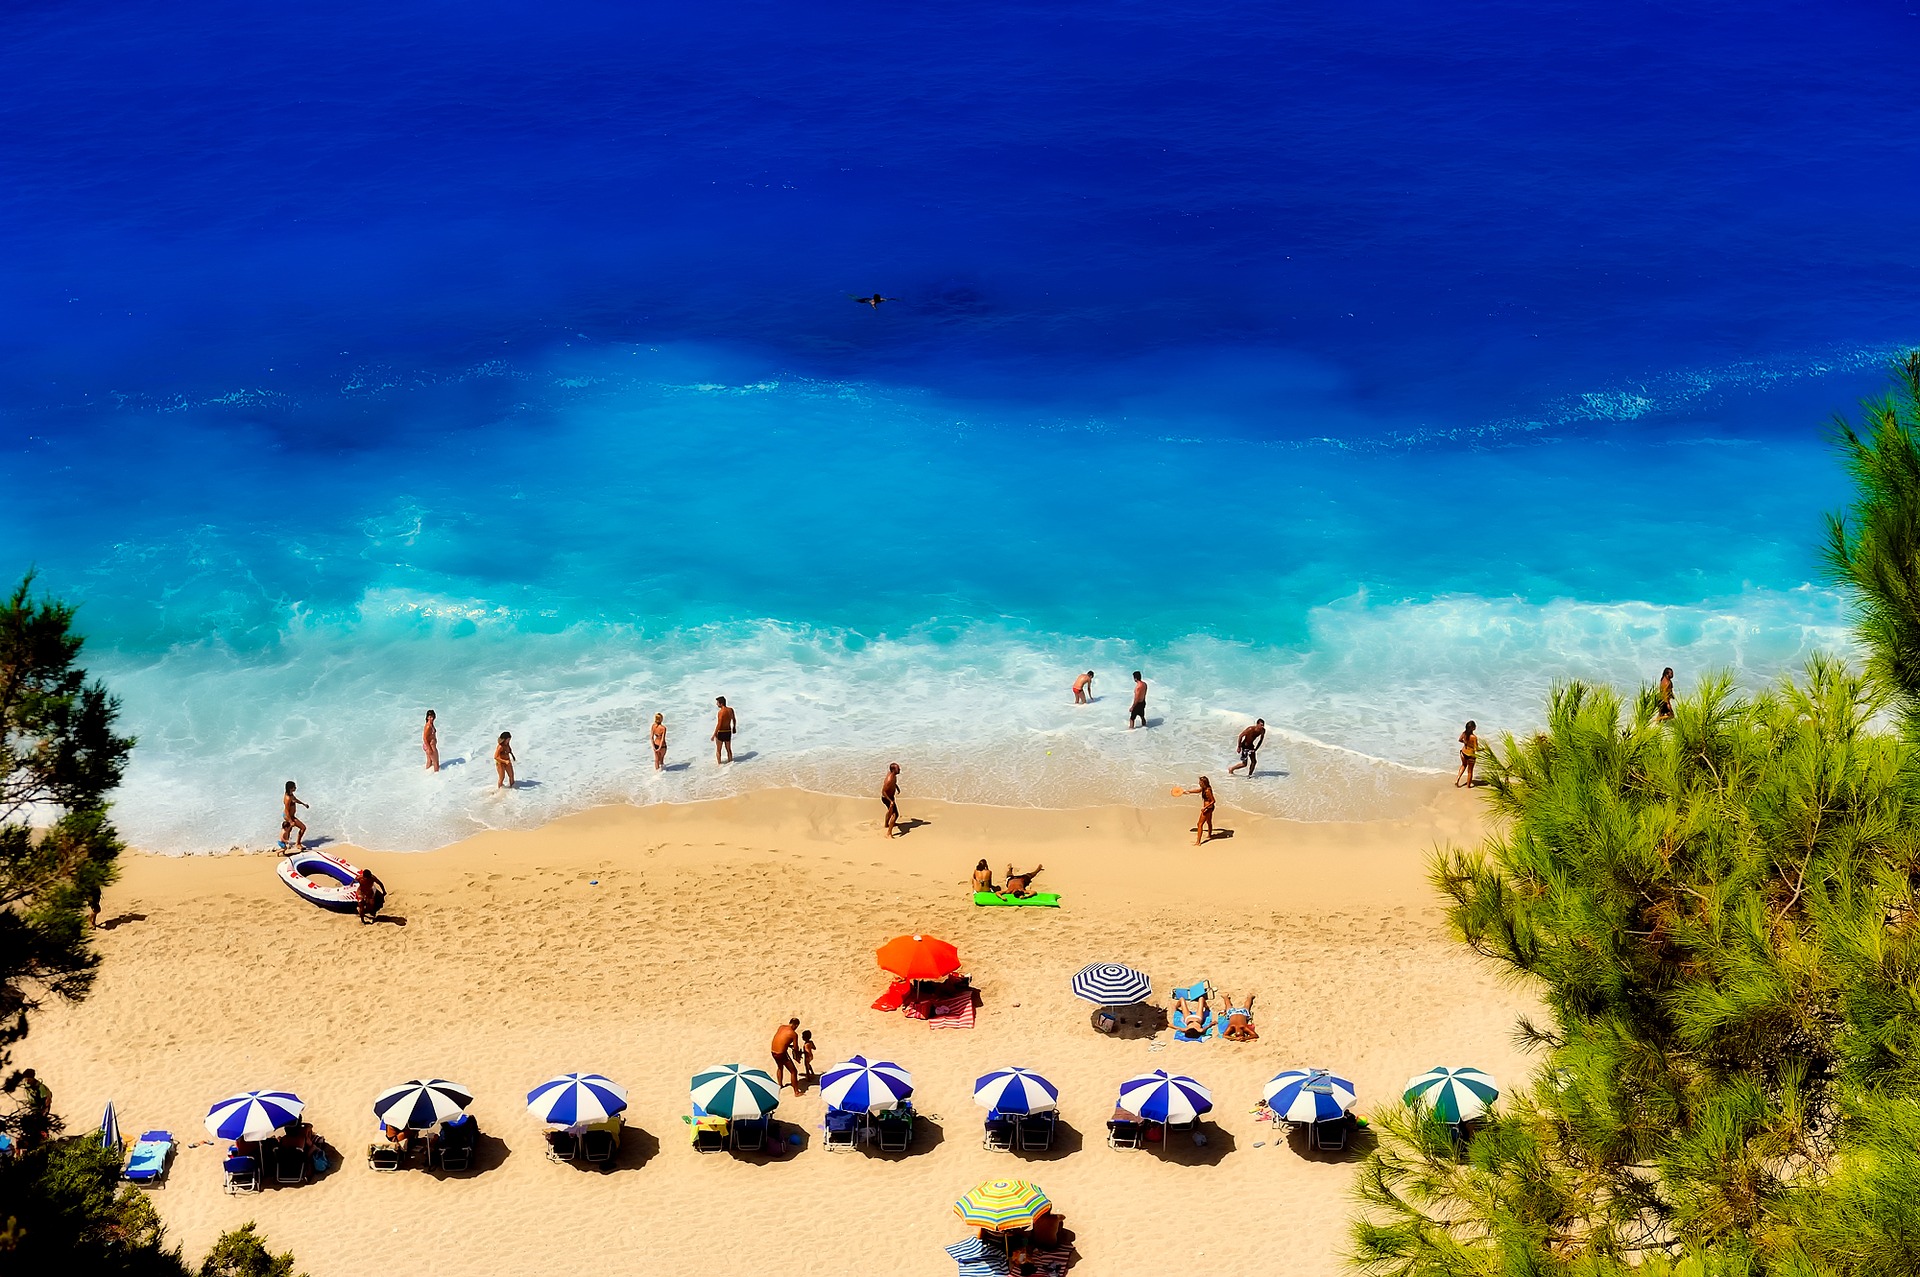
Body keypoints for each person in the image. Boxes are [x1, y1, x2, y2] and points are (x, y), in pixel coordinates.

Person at [18, 1068, 52, 1146]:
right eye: (26, 1079)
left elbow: (46, 1101)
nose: (27, 1081)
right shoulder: (27, 1085)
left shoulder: (40, 1088)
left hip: (42, 1107)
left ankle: (44, 1140)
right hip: (33, 1107)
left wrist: (43, 1112)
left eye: (29, 1079)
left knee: (40, 1124)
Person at [1177, 776, 1215, 844]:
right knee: (1208, 822)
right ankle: (1209, 835)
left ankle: (1198, 842)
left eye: (1200, 782)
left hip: (1208, 808)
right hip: (1210, 808)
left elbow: (1213, 801)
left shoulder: (1207, 790)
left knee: (1199, 824)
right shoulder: (1204, 788)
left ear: (1204, 783)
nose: (1199, 783)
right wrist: (1188, 792)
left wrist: (1205, 807)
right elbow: (1198, 790)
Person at [770, 1017, 802, 1092]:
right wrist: (798, 1055)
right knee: (793, 1071)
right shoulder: (793, 1034)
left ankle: (780, 1085)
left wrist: (788, 1045)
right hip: (781, 1054)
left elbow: (782, 1039)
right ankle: (796, 1092)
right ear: (796, 1025)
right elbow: (796, 1048)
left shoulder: (781, 1027)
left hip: (773, 1051)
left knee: (780, 1067)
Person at [281, 781, 308, 850]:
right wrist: (290, 821)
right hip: (289, 816)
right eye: (294, 787)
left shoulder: (291, 794)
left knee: (288, 830)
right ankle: (298, 844)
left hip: (290, 816)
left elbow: (295, 800)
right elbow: (287, 810)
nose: (295, 788)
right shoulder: (288, 798)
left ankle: (285, 844)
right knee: (303, 828)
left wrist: (303, 804)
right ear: (290, 788)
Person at [712, 697, 737, 765]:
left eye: (717, 703)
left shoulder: (720, 712)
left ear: (721, 703)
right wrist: (734, 727)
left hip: (721, 732)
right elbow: (734, 719)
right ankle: (731, 762)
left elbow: (719, 724)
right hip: (728, 731)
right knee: (728, 749)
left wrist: (714, 734)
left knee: (718, 750)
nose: (716, 704)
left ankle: (719, 765)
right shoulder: (730, 710)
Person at [881, 762, 902, 837]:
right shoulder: (889, 779)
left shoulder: (893, 775)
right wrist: (890, 801)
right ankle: (889, 833)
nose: (900, 769)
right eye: (898, 768)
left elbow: (894, 783)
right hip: (887, 798)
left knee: (890, 812)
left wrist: (897, 787)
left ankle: (886, 824)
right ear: (893, 770)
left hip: (891, 797)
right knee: (895, 815)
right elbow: (883, 792)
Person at [1456, 721, 1478, 788]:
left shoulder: (1464, 733)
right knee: (1470, 771)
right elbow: (1476, 749)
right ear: (1473, 728)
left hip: (1463, 753)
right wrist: (1484, 749)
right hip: (1470, 755)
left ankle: (1457, 780)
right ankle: (1468, 786)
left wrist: (1465, 743)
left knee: (1463, 765)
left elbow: (1460, 740)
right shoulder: (1474, 737)